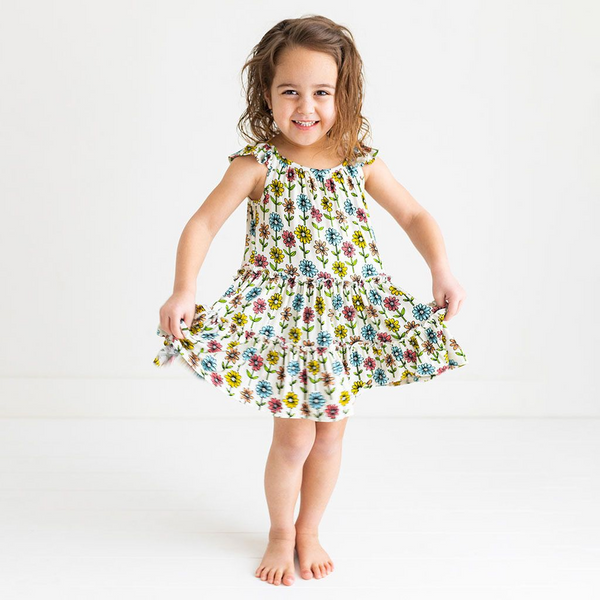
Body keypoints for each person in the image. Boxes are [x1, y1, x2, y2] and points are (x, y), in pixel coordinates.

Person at [153, 15, 468, 587]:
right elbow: (201, 224)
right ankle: (279, 530)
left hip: (342, 318)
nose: (306, 107)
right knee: (294, 434)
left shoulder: (358, 159)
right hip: (285, 322)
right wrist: (184, 288)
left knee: (331, 433)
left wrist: (440, 268)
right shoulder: (256, 164)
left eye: (321, 92)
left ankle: (310, 528)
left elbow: (415, 215)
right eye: (289, 91)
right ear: (266, 95)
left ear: (343, 96)